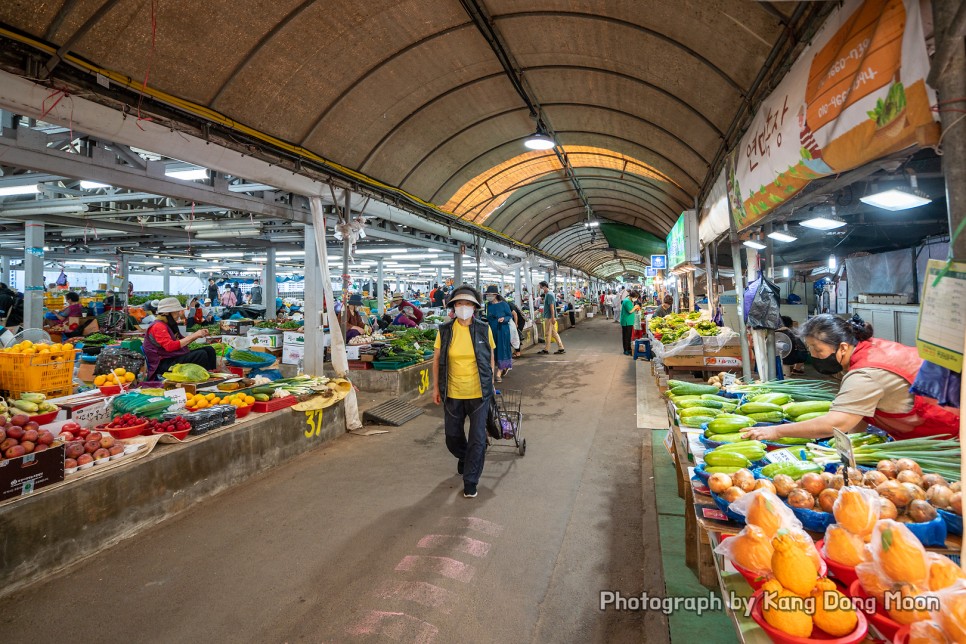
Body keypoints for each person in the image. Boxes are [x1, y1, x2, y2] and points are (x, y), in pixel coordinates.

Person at [743, 314, 960, 442]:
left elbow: (837, 422)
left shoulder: (865, 374)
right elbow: (859, 416)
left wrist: (775, 431)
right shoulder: (870, 348)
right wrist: (850, 445)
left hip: (947, 432)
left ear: (843, 347)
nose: (816, 358)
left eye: (818, 351)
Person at [431, 286, 496, 499]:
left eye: (468, 304)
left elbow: (490, 358)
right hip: (453, 392)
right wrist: (435, 387)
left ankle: (470, 481)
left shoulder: (484, 329)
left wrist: (492, 382)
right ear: (453, 307)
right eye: (459, 304)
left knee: (477, 438)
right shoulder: (445, 330)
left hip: (478, 393)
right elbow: (437, 360)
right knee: (452, 436)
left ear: (475, 308)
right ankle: (465, 456)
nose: (463, 307)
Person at [143, 297, 216, 381]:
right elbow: (169, 346)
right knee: (200, 354)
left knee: (209, 350)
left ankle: (212, 375)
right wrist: (194, 336)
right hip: (163, 363)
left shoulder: (168, 324)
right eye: (177, 311)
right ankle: (203, 380)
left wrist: (197, 335)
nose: (179, 314)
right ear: (168, 313)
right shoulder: (158, 326)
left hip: (172, 357)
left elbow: (181, 340)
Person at [484, 285, 513, 381]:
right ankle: (501, 367)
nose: (488, 296)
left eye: (490, 294)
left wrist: (504, 319)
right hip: (492, 330)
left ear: (495, 295)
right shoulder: (489, 305)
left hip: (503, 331)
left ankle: (499, 373)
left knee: (502, 350)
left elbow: (510, 316)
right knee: (493, 350)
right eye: (487, 294)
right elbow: (488, 316)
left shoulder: (504, 304)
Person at [536, 281, 565, 355]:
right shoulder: (548, 294)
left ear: (544, 287)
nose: (540, 289)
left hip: (549, 317)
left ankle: (546, 349)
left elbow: (551, 307)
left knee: (547, 334)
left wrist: (552, 317)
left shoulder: (549, 295)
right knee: (554, 333)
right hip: (549, 316)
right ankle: (561, 348)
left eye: (540, 287)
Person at [620, 290, 641, 355]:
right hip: (626, 322)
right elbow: (630, 311)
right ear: (632, 296)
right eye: (636, 297)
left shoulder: (629, 300)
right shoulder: (627, 301)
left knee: (629, 336)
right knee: (626, 337)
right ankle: (626, 350)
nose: (636, 299)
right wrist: (635, 307)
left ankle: (628, 349)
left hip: (629, 321)